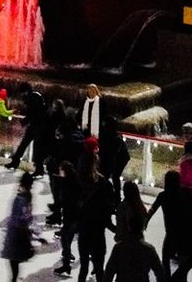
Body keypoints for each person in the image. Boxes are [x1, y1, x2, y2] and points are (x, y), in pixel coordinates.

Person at [77, 150, 116, 282]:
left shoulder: (79, 183)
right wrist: (116, 229)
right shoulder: (105, 184)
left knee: (83, 268)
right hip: (98, 233)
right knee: (99, 270)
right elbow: (109, 210)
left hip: (84, 232)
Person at [1, 171, 36, 282]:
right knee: (15, 261)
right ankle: (14, 278)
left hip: (16, 235)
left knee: (13, 260)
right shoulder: (27, 197)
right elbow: (28, 217)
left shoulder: (21, 199)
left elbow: (20, 217)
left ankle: (13, 279)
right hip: (20, 234)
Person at [8, 83, 48, 174]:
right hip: (35, 125)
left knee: (35, 148)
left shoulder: (33, 97)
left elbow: (34, 112)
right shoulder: (35, 96)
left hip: (38, 126)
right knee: (25, 146)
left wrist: (24, 121)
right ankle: (15, 163)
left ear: (25, 91)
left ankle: (39, 170)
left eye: (22, 93)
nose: (22, 95)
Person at [55, 159, 82, 277]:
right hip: (74, 216)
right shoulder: (74, 181)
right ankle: (67, 260)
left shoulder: (68, 184)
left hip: (70, 216)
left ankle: (66, 263)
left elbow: (66, 201)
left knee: (65, 239)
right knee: (67, 238)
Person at [101, 116, 131, 199]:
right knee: (113, 176)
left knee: (115, 176)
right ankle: (114, 195)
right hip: (119, 157)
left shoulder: (116, 138)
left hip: (121, 158)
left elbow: (112, 153)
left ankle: (117, 196)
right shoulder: (112, 135)